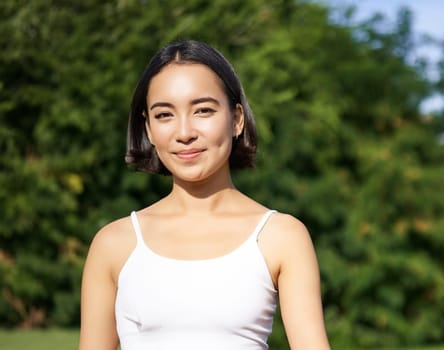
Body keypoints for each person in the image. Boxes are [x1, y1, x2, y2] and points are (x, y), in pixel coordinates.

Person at [78, 40, 331, 350]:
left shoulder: (281, 237)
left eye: (203, 110)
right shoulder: (113, 243)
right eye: (164, 115)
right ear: (148, 129)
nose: (184, 132)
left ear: (237, 119)